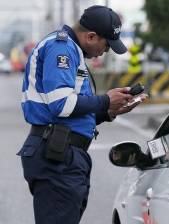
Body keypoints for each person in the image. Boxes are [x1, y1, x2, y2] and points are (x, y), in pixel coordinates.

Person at [17, 5, 146, 224]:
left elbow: (71, 113)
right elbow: (61, 104)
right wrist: (105, 100)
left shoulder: (72, 50)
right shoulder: (62, 49)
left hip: (63, 154)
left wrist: (108, 111)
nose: (105, 51)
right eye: (106, 45)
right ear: (91, 36)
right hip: (57, 156)